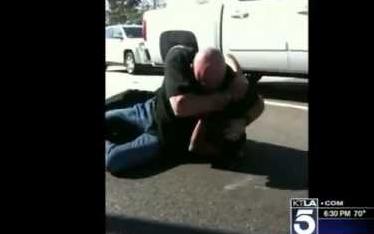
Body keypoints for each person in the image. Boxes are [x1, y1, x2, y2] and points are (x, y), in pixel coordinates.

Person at [105, 45, 264, 174]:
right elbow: (180, 106)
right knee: (108, 117)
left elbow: (259, 104)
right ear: (191, 67)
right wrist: (224, 97)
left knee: (114, 160)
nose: (207, 90)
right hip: (148, 111)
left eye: (213, 85)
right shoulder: (178, 57)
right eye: (203, 84)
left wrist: (243, 121)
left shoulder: (232, 81)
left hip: (162, 137)